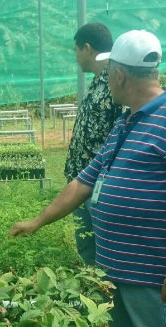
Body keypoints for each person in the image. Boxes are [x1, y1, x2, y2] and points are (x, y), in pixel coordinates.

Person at [10, 30, 166, 327]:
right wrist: (37, 221)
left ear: (119, 75)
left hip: (152, 274)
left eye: (108, 74)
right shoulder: (126, 123)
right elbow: (83, 181)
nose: (106, 80)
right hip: (114, 271)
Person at [66, 22, 122, 265]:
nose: (76, 57)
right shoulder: (98, 81)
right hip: (84, 184)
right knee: (88, 249)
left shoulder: (115, 80)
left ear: (87, 48)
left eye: (76, 50)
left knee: (102, 252)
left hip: (100, 186)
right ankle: (96, 294)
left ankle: (106, 299)